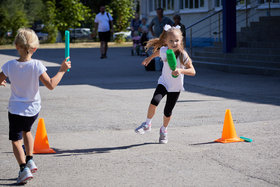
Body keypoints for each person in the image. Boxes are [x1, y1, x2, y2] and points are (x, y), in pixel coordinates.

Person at [0, 28, 71, 184]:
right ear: (35, 48)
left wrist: (2, 80)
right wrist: (62, 70)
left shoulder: (9, 65)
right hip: (33, 109)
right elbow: (51, 85)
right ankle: (30, 159)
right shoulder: (37, 65)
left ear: (16, 46)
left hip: (16, 109)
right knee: (27, 131)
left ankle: (23, 168)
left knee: (16, 140)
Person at [135, 24, 196, 144]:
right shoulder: (164, 51)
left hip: (175, 87)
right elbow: (157, 53)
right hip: (164, 82)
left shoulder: (183, 55)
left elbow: (193, 71)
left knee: (167, 112)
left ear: (181, 40)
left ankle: (164, 130)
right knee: (154, 101)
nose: (174, 43)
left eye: (177, 40)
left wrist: (180, 70)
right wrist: (149, 58)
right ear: (166, 41)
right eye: (171, 41)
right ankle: (147, 124)